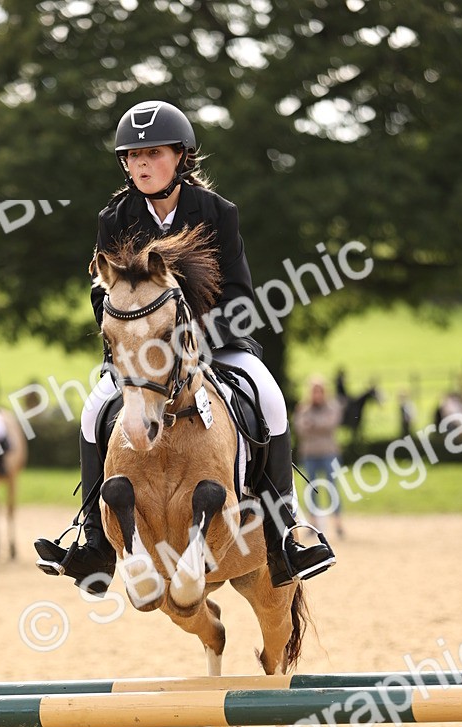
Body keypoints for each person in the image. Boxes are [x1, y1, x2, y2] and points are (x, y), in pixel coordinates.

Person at [35, 99, 336, 593]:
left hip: (215, 344)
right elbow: (102, 293)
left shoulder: (217, 212)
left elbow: (239, 293)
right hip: (142, 358)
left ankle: (286, 534)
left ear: (181, 157)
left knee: (269, 397)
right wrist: (125, 339)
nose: (141, 165)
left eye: (152, 154)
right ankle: (93, 542)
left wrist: (195, 338)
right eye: (133, 156)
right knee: (92, 412)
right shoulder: (115, 218)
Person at [294, 378, 345, 539]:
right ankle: (313, 524)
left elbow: (330, 424)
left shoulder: (332, 407)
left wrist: (312, 424)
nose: (316, 394)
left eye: (319, 391)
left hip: (329, 453)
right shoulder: (303, 408)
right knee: (311, 489)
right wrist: (318, 425)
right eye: (314, 391)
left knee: (332, 488)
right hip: (309, 454)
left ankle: (338, 523)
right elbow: (300, 428)